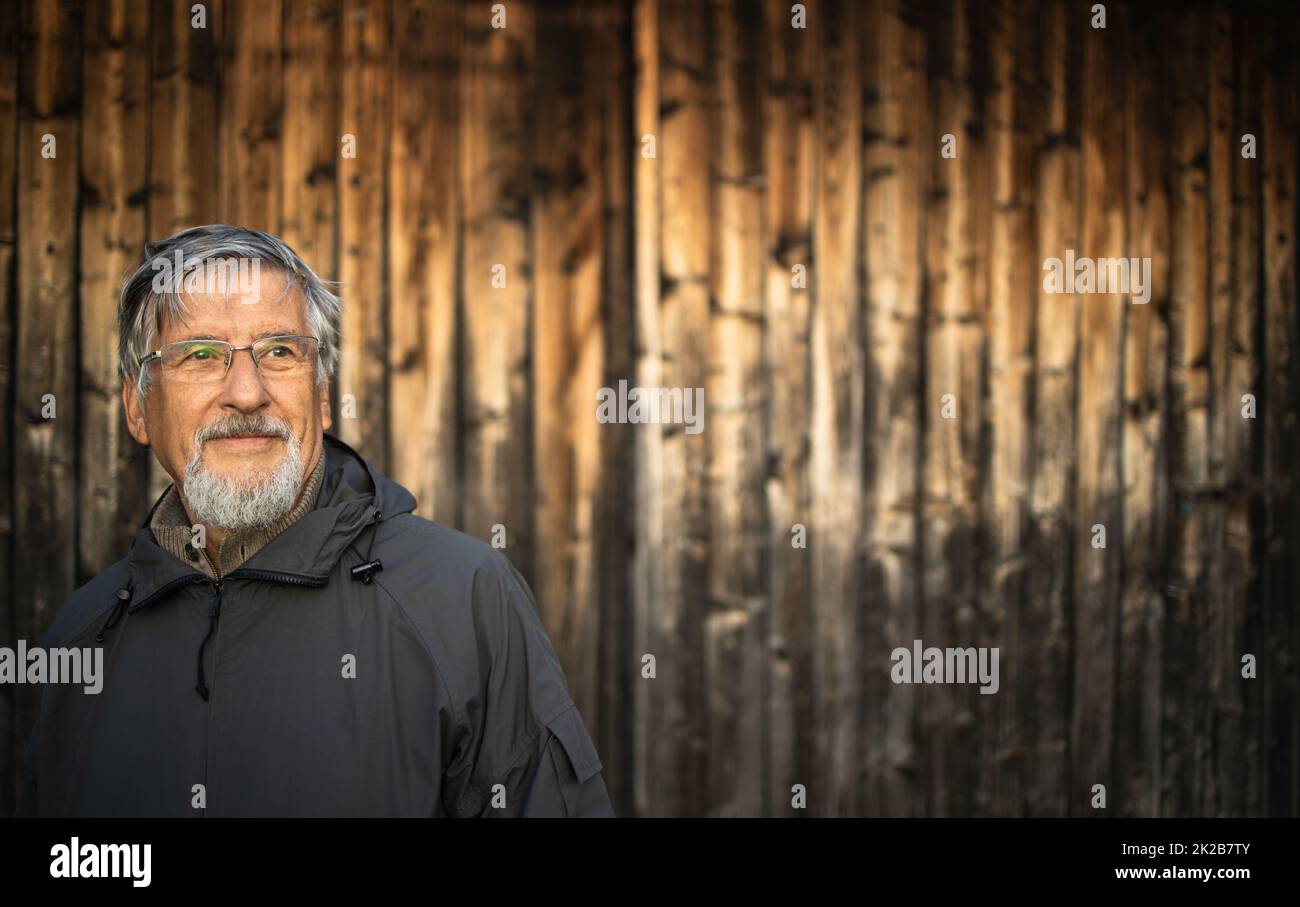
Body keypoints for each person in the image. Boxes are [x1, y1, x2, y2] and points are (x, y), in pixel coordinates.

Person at [16, 224, 614, 817]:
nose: (246, 393)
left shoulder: (463, 600)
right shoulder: (83, 635)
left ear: (322, 397)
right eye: (201, 355)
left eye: (279, 351)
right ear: (137, 407)